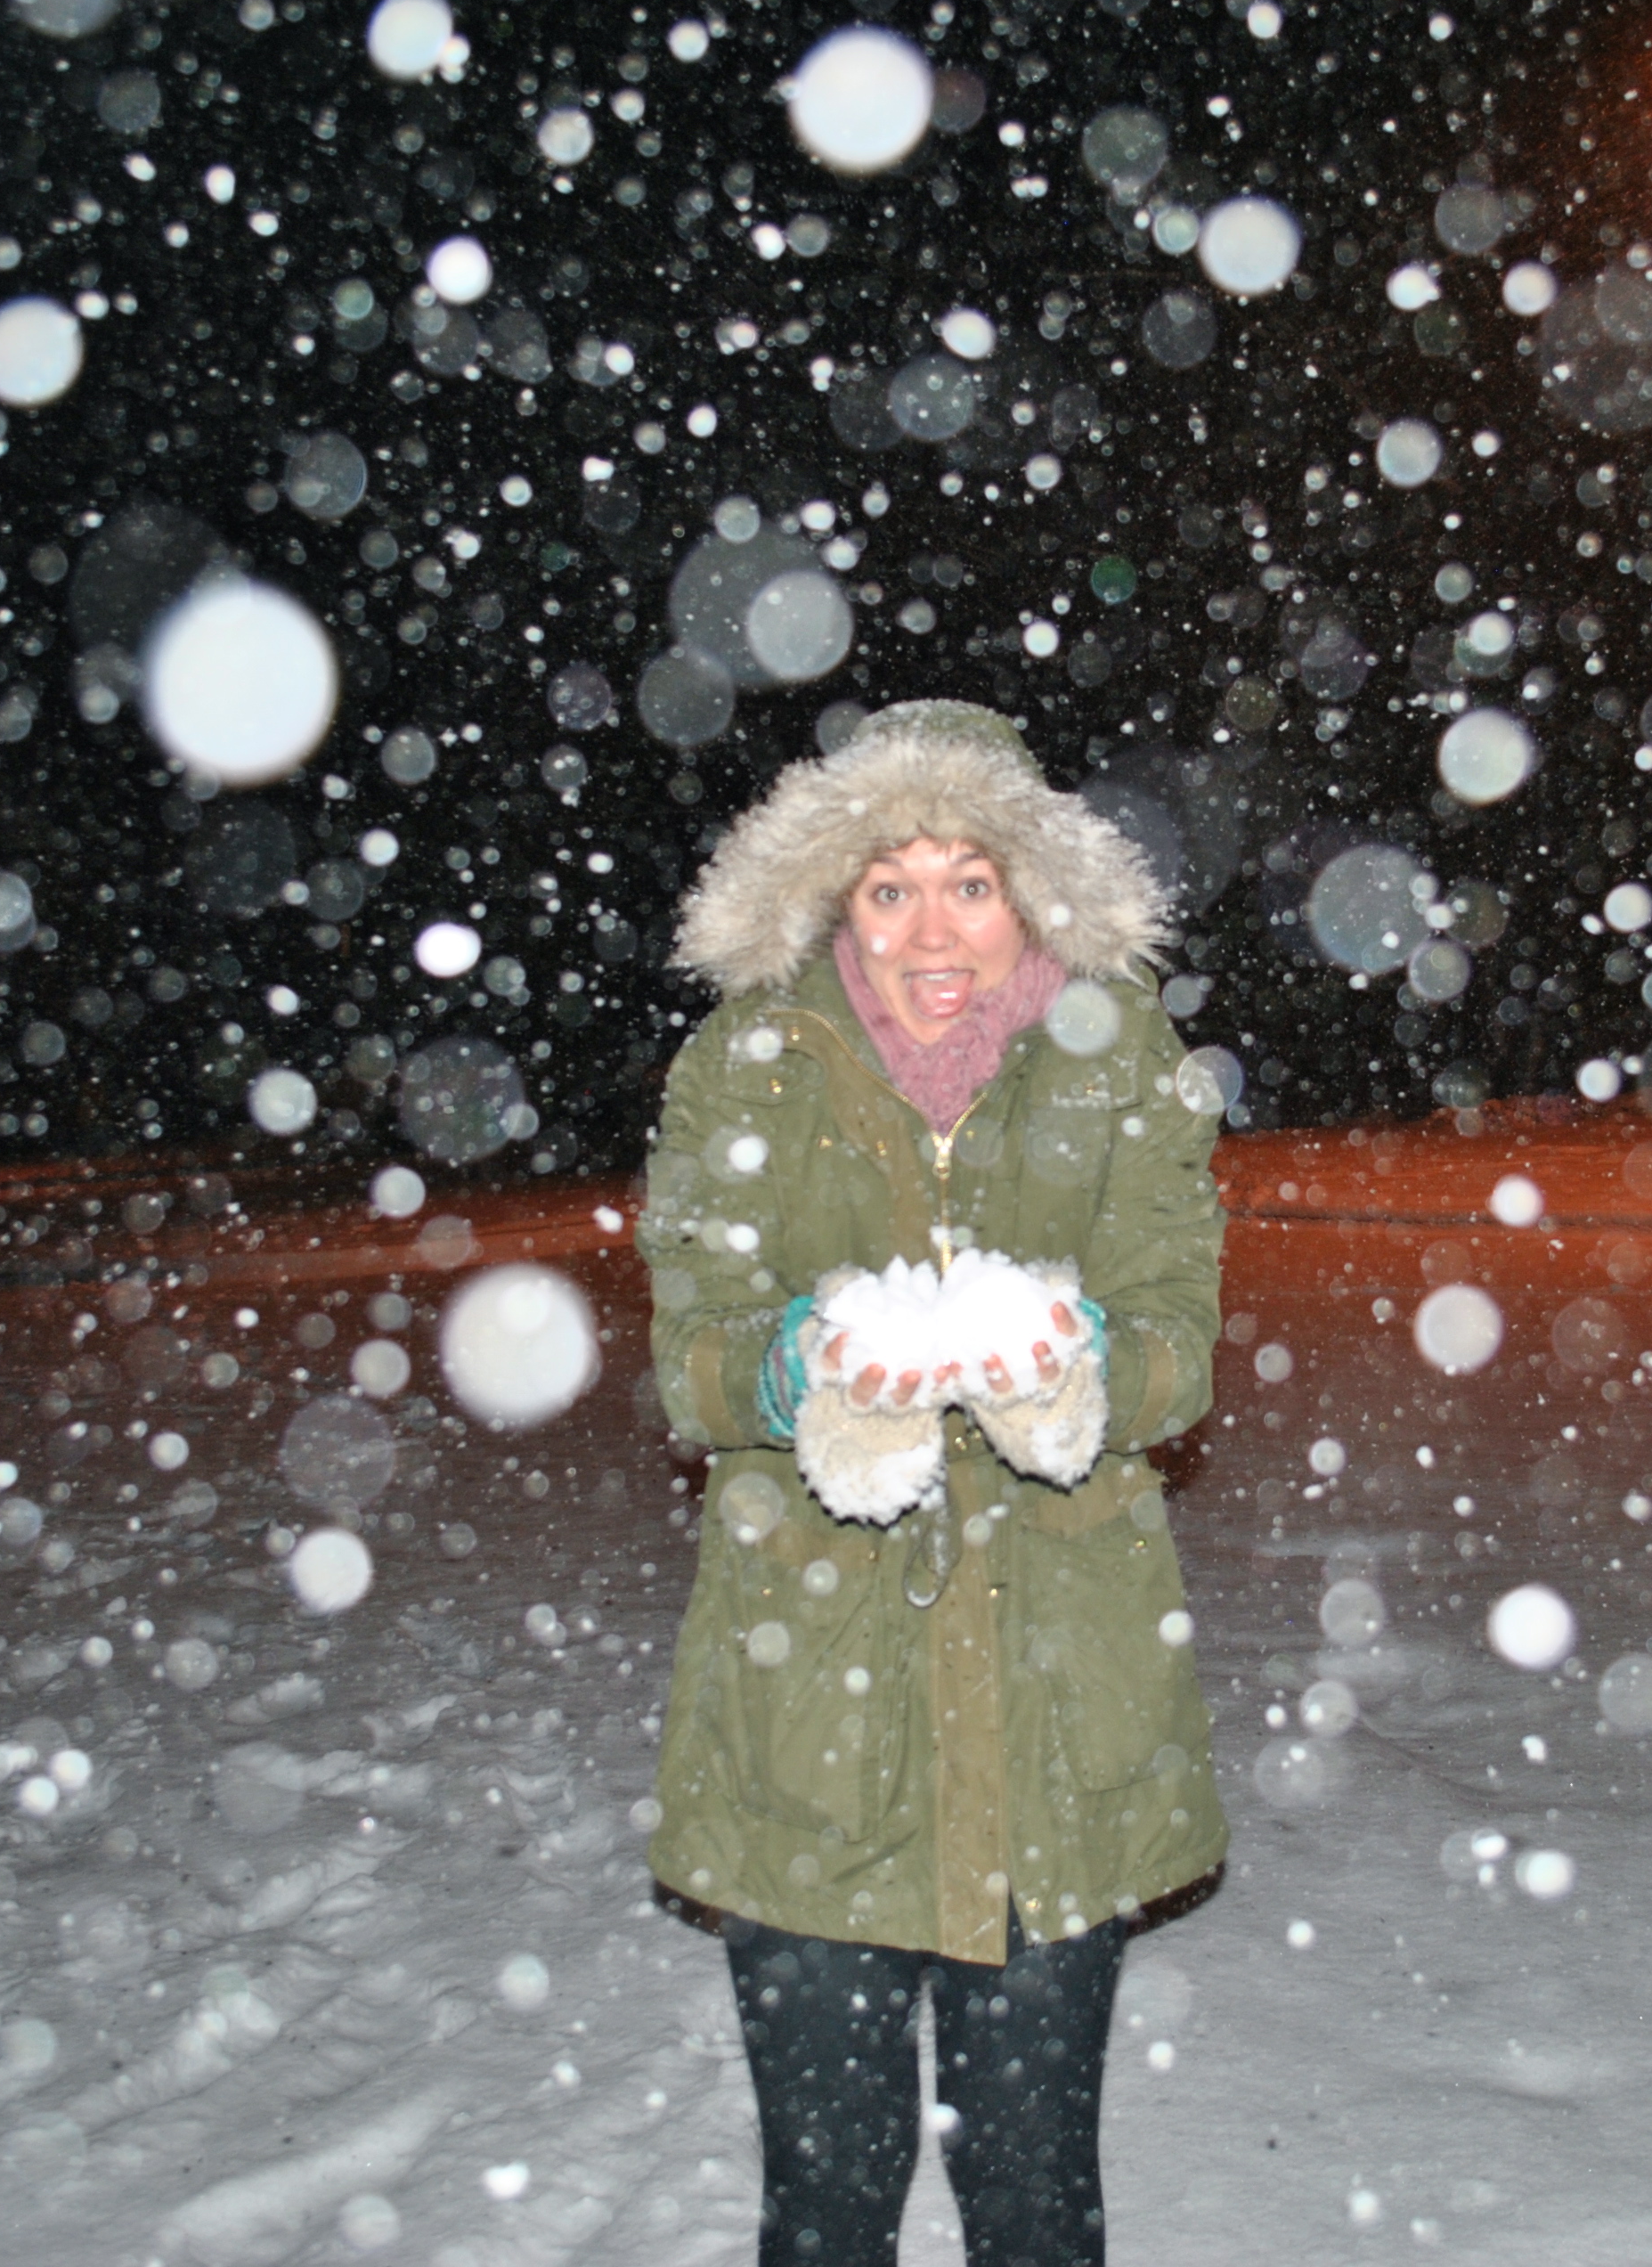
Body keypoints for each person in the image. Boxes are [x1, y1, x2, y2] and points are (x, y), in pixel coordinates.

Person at [638, 699, 1229, 2267]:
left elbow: (1183, 1345)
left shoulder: (1123, 1058)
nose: (931, 928)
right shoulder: (745, 1067)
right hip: (810, 1723)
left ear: (1030, 892)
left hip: (1062, 1720)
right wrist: (793, 1374)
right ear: (835, 899)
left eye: (969, 879)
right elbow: (689, 1357)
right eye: (888, 885)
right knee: (827, 2210)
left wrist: (1086, 1363)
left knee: (1036, 2207)